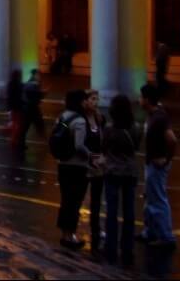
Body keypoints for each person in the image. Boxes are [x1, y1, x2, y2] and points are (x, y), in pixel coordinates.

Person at [102, 94, 142, 267]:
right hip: (130, 172)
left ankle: (111, 246)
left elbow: (103, 148)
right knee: (129, 211)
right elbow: (137, 147)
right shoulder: (136, 128)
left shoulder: (110, 129)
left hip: (112, 171)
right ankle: (127, 247)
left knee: (111, 211)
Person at [139, 83, 177, 248]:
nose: (139, 100)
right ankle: (150, 231)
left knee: (158, 200)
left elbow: (172, 140)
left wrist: (167, 159)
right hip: (151, 163)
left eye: (141, 97)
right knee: (150, 198)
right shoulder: (153, 114)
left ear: (147, 99)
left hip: (157, 164)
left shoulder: (159, 117)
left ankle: (166, 237)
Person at [56, 89, 93, 249]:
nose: (86, 103)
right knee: (75, 202)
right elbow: (79, 145)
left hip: (63, 164)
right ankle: (70, 236)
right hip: (77, 166)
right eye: (84, 100)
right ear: (79, 102)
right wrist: (91, 156)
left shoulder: (63, 116)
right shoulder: (80, 121)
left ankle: (64, 233)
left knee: (65, 200)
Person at [83, 89, 106, 255]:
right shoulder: (81, 119)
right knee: (80, 197)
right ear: (86, 101)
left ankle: (96, 228)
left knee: (97, 200)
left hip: (98, 165)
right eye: (92, 99)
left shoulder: (99, 119)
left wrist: (103, 157)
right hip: (85, 163)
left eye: (97, 99)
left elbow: (103, 140)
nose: (95, 102)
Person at [21, 69, 45, 143]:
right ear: (34, 75)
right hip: (30, 107)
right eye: (38, 75)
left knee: (29, 124)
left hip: (31, 107)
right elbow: (34, 96)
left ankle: (21, 141)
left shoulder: (34, 83)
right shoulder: (32, 84)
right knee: (30, 124)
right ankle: (44, 139)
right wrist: (42, 94)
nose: (39, 76)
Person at [6, 69, 25, 151]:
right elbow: (21, 95)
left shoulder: (10, 84)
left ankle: (13, 139)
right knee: (18, 124)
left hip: (11, 106)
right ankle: (14, 140)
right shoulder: (19, 85)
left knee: (14, 123)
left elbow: (9, 96)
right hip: (18, 107)